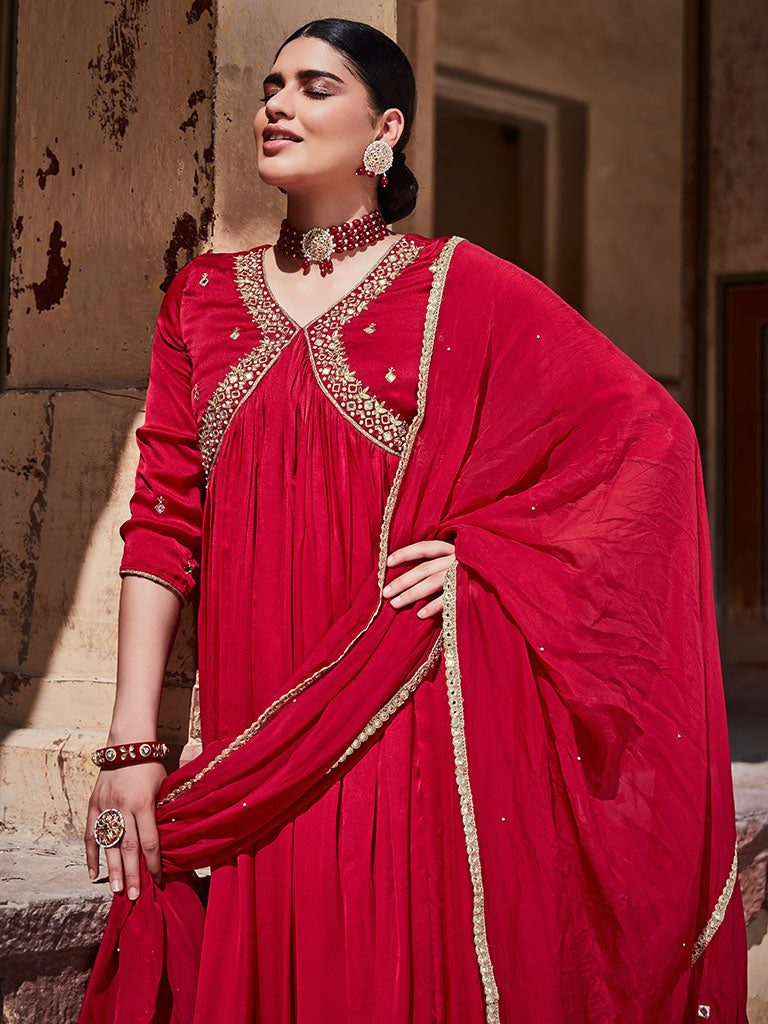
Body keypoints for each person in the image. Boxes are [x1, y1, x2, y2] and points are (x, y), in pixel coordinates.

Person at [78, 17, 747, 1024]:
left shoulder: (452, 285)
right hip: (258, 720)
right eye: (271, 87)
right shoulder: (202, 298)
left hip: (398, 699)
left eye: (314, 87)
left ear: (383, 129)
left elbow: (647, 440)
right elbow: (163, 519)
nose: (277, 105)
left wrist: (487, 561)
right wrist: (135, 747)